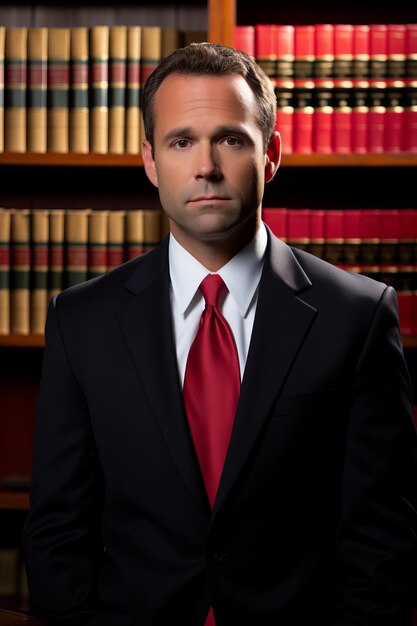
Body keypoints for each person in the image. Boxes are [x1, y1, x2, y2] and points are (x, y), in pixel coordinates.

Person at [22, 42, 417, 626]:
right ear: (151, 161)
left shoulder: (357, 317)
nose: (205, 165)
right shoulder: (81, 321)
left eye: (230, 139)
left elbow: (382, 542)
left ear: (272, 155)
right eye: (181, 142)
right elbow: (57, 532)